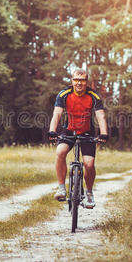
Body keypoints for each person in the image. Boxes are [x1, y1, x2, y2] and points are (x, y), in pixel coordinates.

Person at [48, 68, 108, 209]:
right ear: (72, 81)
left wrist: (104, 133)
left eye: (82, 80)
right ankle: (62, 188)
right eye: (76, 80)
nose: (79, 83)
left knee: (89, 164)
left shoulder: (94, 96)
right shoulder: (64, 94)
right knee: (60, 152)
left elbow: (100, 116)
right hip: (69, 130)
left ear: (87, 82)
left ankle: (89, 193)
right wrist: (52, 130)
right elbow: (57, 114)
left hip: (87, 132)